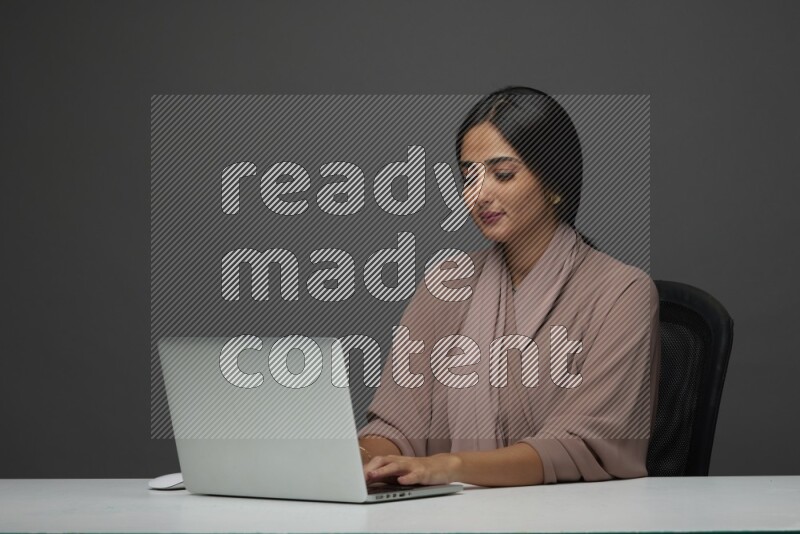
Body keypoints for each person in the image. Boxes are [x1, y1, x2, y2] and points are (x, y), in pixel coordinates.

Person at [357, 86, 660, 487]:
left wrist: (448, 467)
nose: (478, 194)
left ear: (554, 184)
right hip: (442, 520)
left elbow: (582, 445)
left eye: (502, 174)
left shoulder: (623, 293)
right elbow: (397, 425)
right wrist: (359, 459)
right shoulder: (445, 283)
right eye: (469, 177)